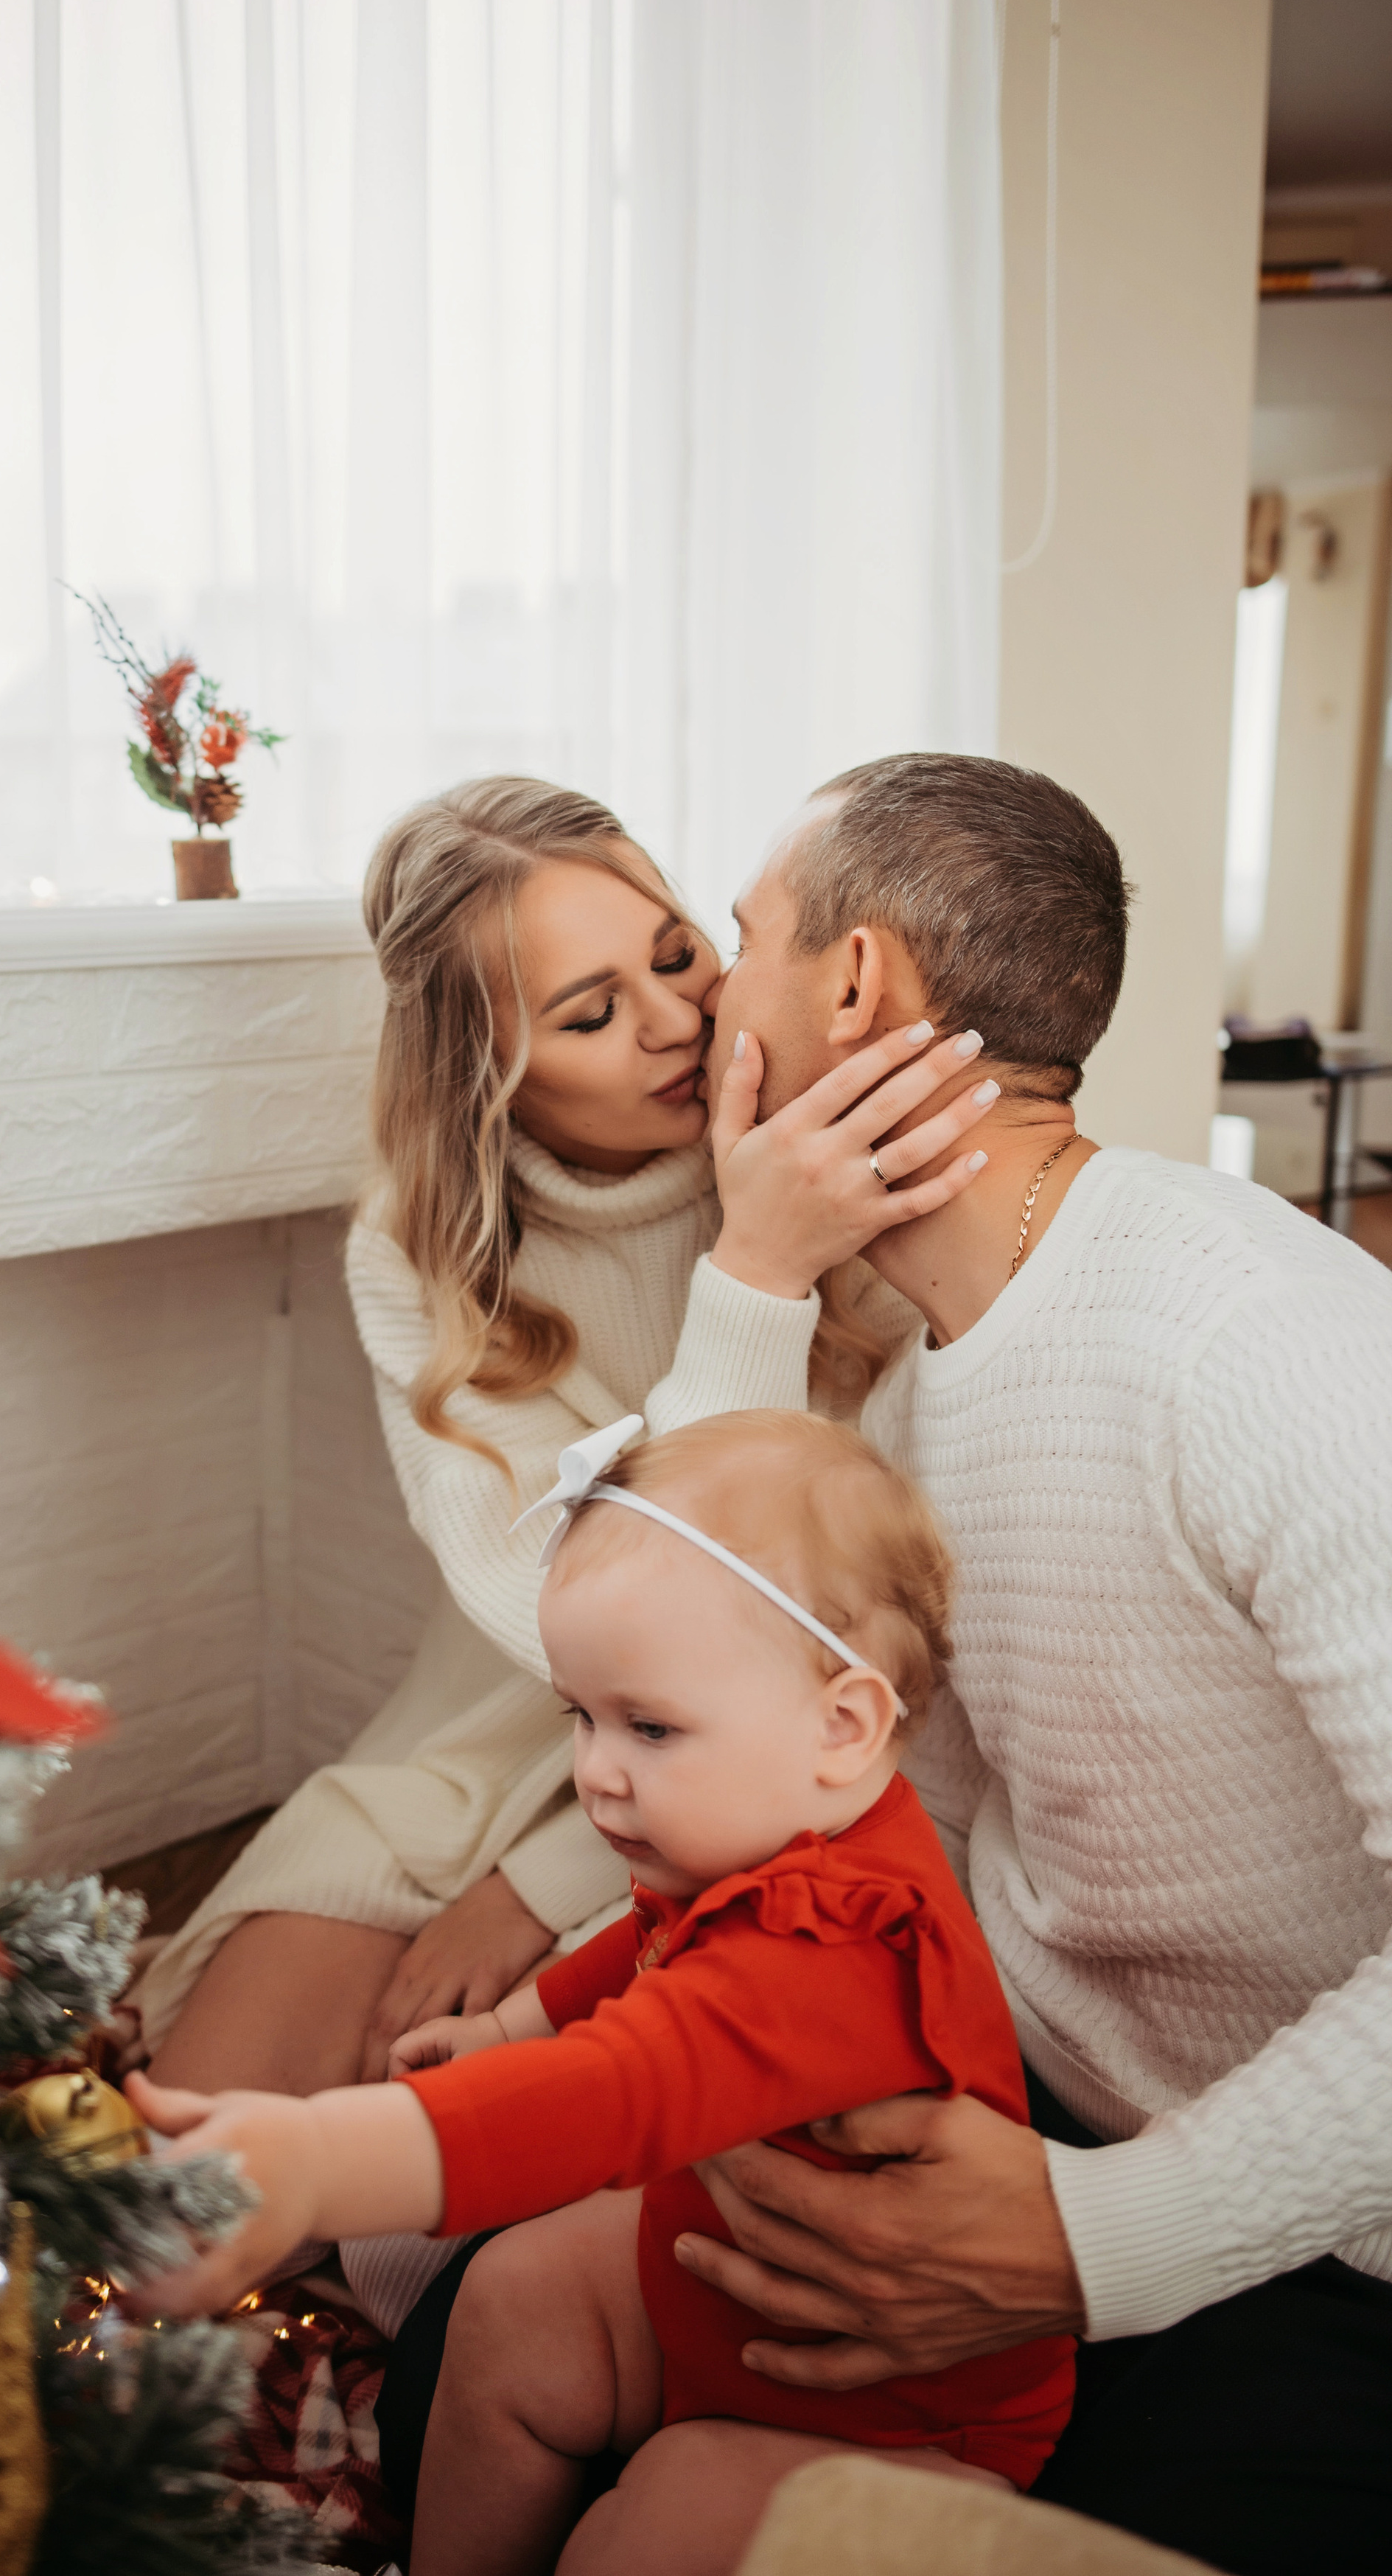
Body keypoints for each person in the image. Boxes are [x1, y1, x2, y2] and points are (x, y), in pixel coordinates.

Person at [612, 750, 1392, 2576]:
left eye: (738, 943)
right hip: (1044, 2118)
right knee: (499, 2297)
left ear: (857, 987)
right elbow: (700, 1706)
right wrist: (749, 1279)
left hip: (1316, 2248)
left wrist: (1096, 2242)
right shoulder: (916, 1381)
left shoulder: (1261, 1349)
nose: (708, 1000)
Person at [138, 778, 994, 2106]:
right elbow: (548, 1608)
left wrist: (537, 1893)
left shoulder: (830, 1185)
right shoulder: (416, 1252)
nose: (677, 1021)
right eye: (591, 1012)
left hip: (763, 1783)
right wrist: (751, 1280)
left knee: (469, 2151)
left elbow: (772, 1630)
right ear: (491, 1070)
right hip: (484, 1754)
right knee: (185, 2155)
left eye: (677, 955)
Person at [129, 1410, 1074, 2576]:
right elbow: (640, 1947)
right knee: (520, 2292)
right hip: (736, 2286)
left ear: (843, 1725)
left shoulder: (835, 1943)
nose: (595, 1770)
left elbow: (614, 2092)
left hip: (885, 2410)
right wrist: (511, 2022)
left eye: (650, 1726)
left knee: (660, 2519)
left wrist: (318, 2159)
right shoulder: (757, 1849)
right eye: (582, 1716)